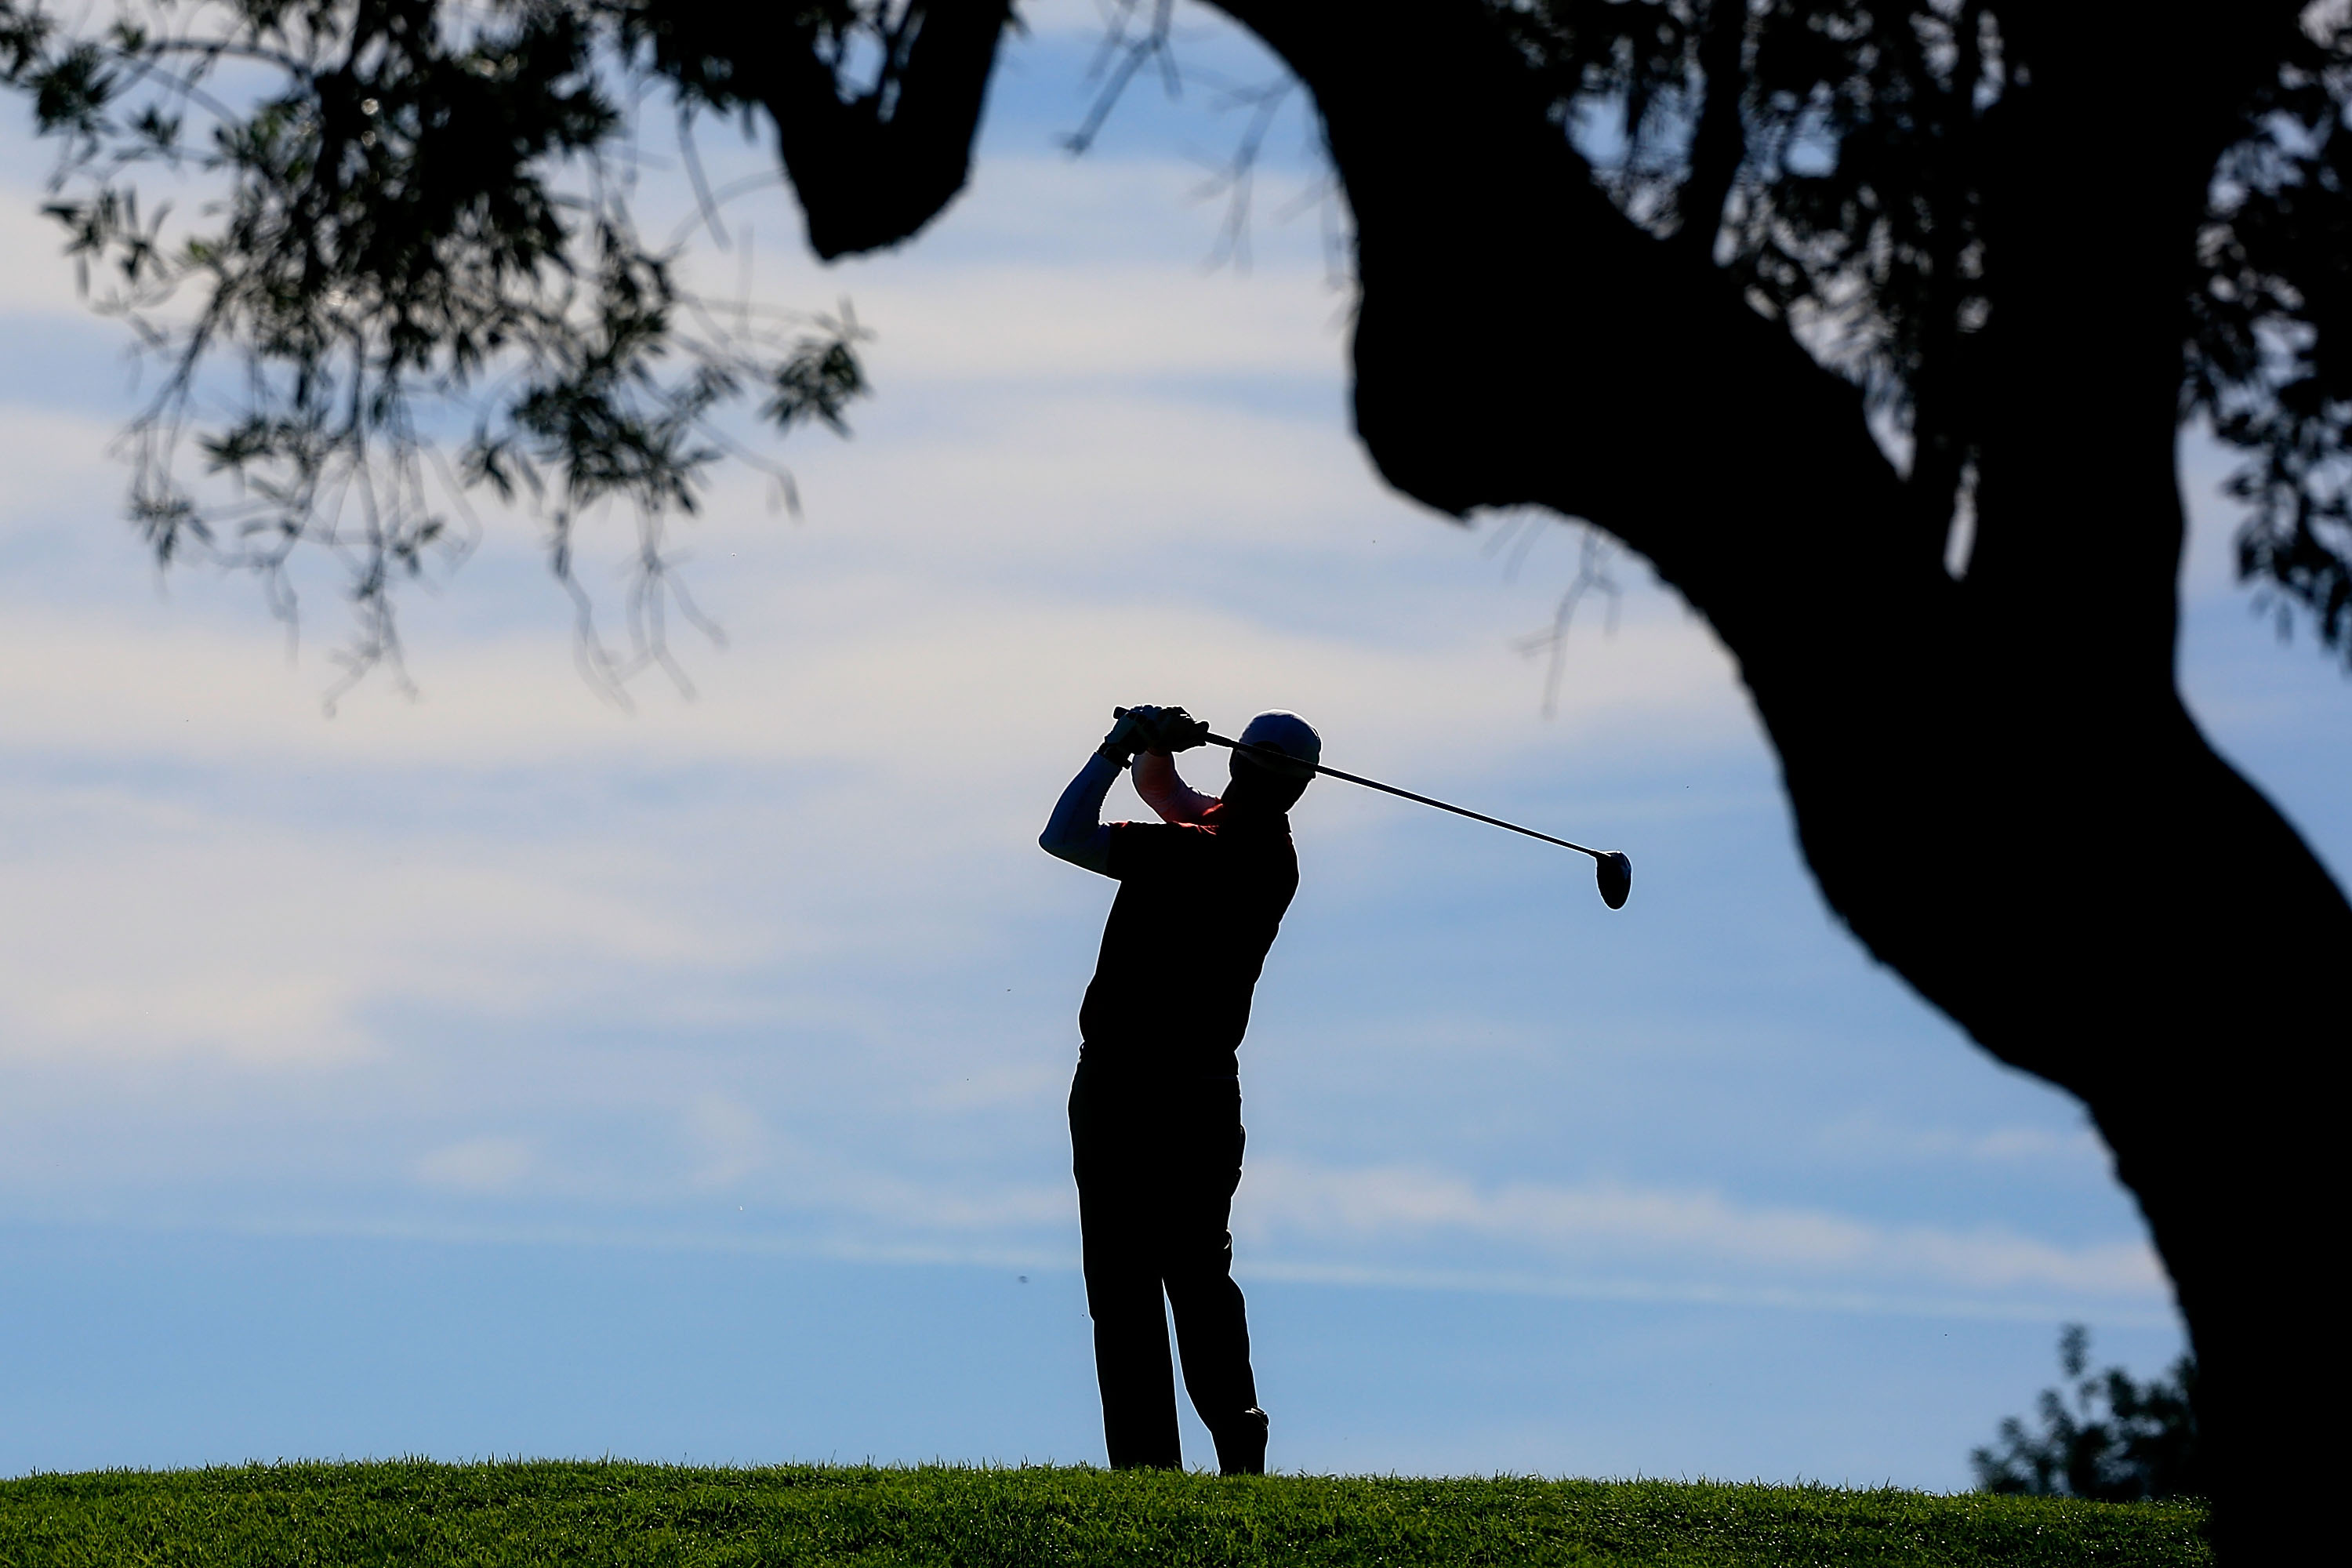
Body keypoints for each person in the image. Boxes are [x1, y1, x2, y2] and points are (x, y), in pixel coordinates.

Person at [1038, 702, 1321, 1476]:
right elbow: (1166, 792)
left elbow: (1063, 836)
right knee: (1197, 1274)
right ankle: (1238, 1435)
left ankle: (1147, 1466)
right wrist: (1155, 746)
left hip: (1124, 1089)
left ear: (1238, 761)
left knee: (1123, 1281)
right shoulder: (1264, 847)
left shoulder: (1196, 851)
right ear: (1299, 787)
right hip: (1202, 1095)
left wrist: (1116, 746)